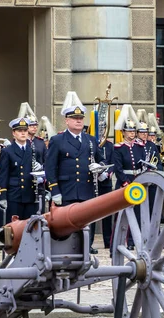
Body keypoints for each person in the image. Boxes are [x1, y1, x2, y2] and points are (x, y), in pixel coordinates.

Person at [45, 91, 106, 256]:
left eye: (80, 119)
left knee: (86, 226)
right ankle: (65, 253)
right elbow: (50, 168)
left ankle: (85, 251)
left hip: (86, 190)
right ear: (67, 120)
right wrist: (54, 191)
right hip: (66, 191)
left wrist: (100, 169)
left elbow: (102, 161)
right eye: (74, 119)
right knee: (67, 226)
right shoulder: (57, 141)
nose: (78, 121)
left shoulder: (90, 140)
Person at [111, 104, 145, 251]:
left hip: (138, 180)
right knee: (121, 213)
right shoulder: (118, 148)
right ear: (123, 132)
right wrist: (125, 181)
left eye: (133, 131)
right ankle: (118, 239)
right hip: (124, 182)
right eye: (129, 131)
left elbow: (143, 162)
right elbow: (117, 167)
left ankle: (133, 240)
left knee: (137, 213)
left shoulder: (140, 146)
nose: (131, 134)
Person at [0, 117, 45, 222]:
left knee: (31, 227)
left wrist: (40, 172)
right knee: (14, 229)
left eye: (25, 130)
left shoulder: (33, 150)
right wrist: (2, 195)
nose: (23, 133)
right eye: (19, 131)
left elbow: (39, 170)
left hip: (30, 194)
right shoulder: (7, 151)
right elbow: (3, 175)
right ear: (14, 133)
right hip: (15, 195)